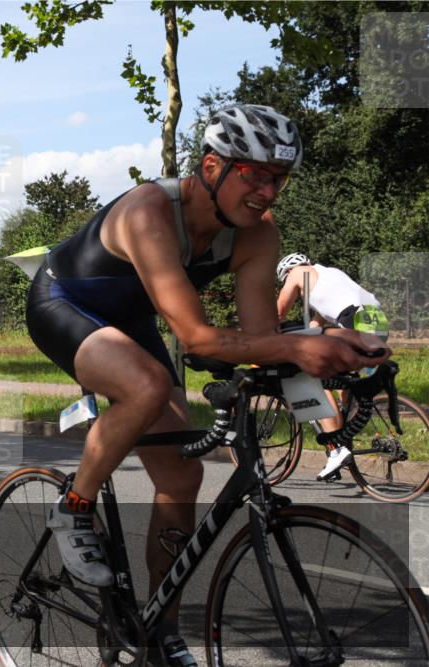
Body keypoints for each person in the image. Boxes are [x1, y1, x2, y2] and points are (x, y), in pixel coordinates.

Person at [25, 104, 388, 667]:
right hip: (64, 304)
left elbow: (260, 338)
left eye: (279, 178)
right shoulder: (149, 210)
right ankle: (73, 506)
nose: (268, 192)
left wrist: (339, 348)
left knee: (182, 475)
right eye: (256, 174)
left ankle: (160, 632)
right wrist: (299, 346)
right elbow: (195, 337)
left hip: (131, 323)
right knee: (146, 385)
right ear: (213, 166)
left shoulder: (257, 235)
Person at [276, 253, 389, 480]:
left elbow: (278, 312)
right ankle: (344, 433)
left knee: (314, 380)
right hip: (377, 319)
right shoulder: (329, 276)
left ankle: (337, 449)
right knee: (342, 379)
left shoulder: (297, 273)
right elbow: (315, 325)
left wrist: (265, 336)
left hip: (354, 319)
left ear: (287, 273)